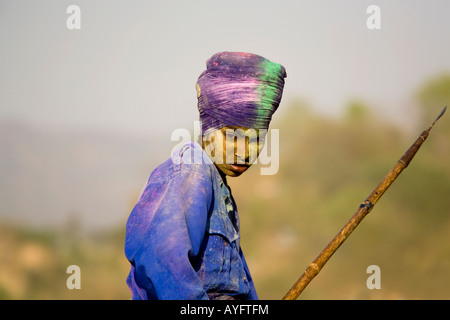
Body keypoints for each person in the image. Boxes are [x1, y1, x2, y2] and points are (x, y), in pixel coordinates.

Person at [124, 51, 287, 300]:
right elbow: (163, 258)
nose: (243, 151)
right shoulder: (191, 170)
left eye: (256, 138)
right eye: (232, 134)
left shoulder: (219, 187)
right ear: (207, 128)